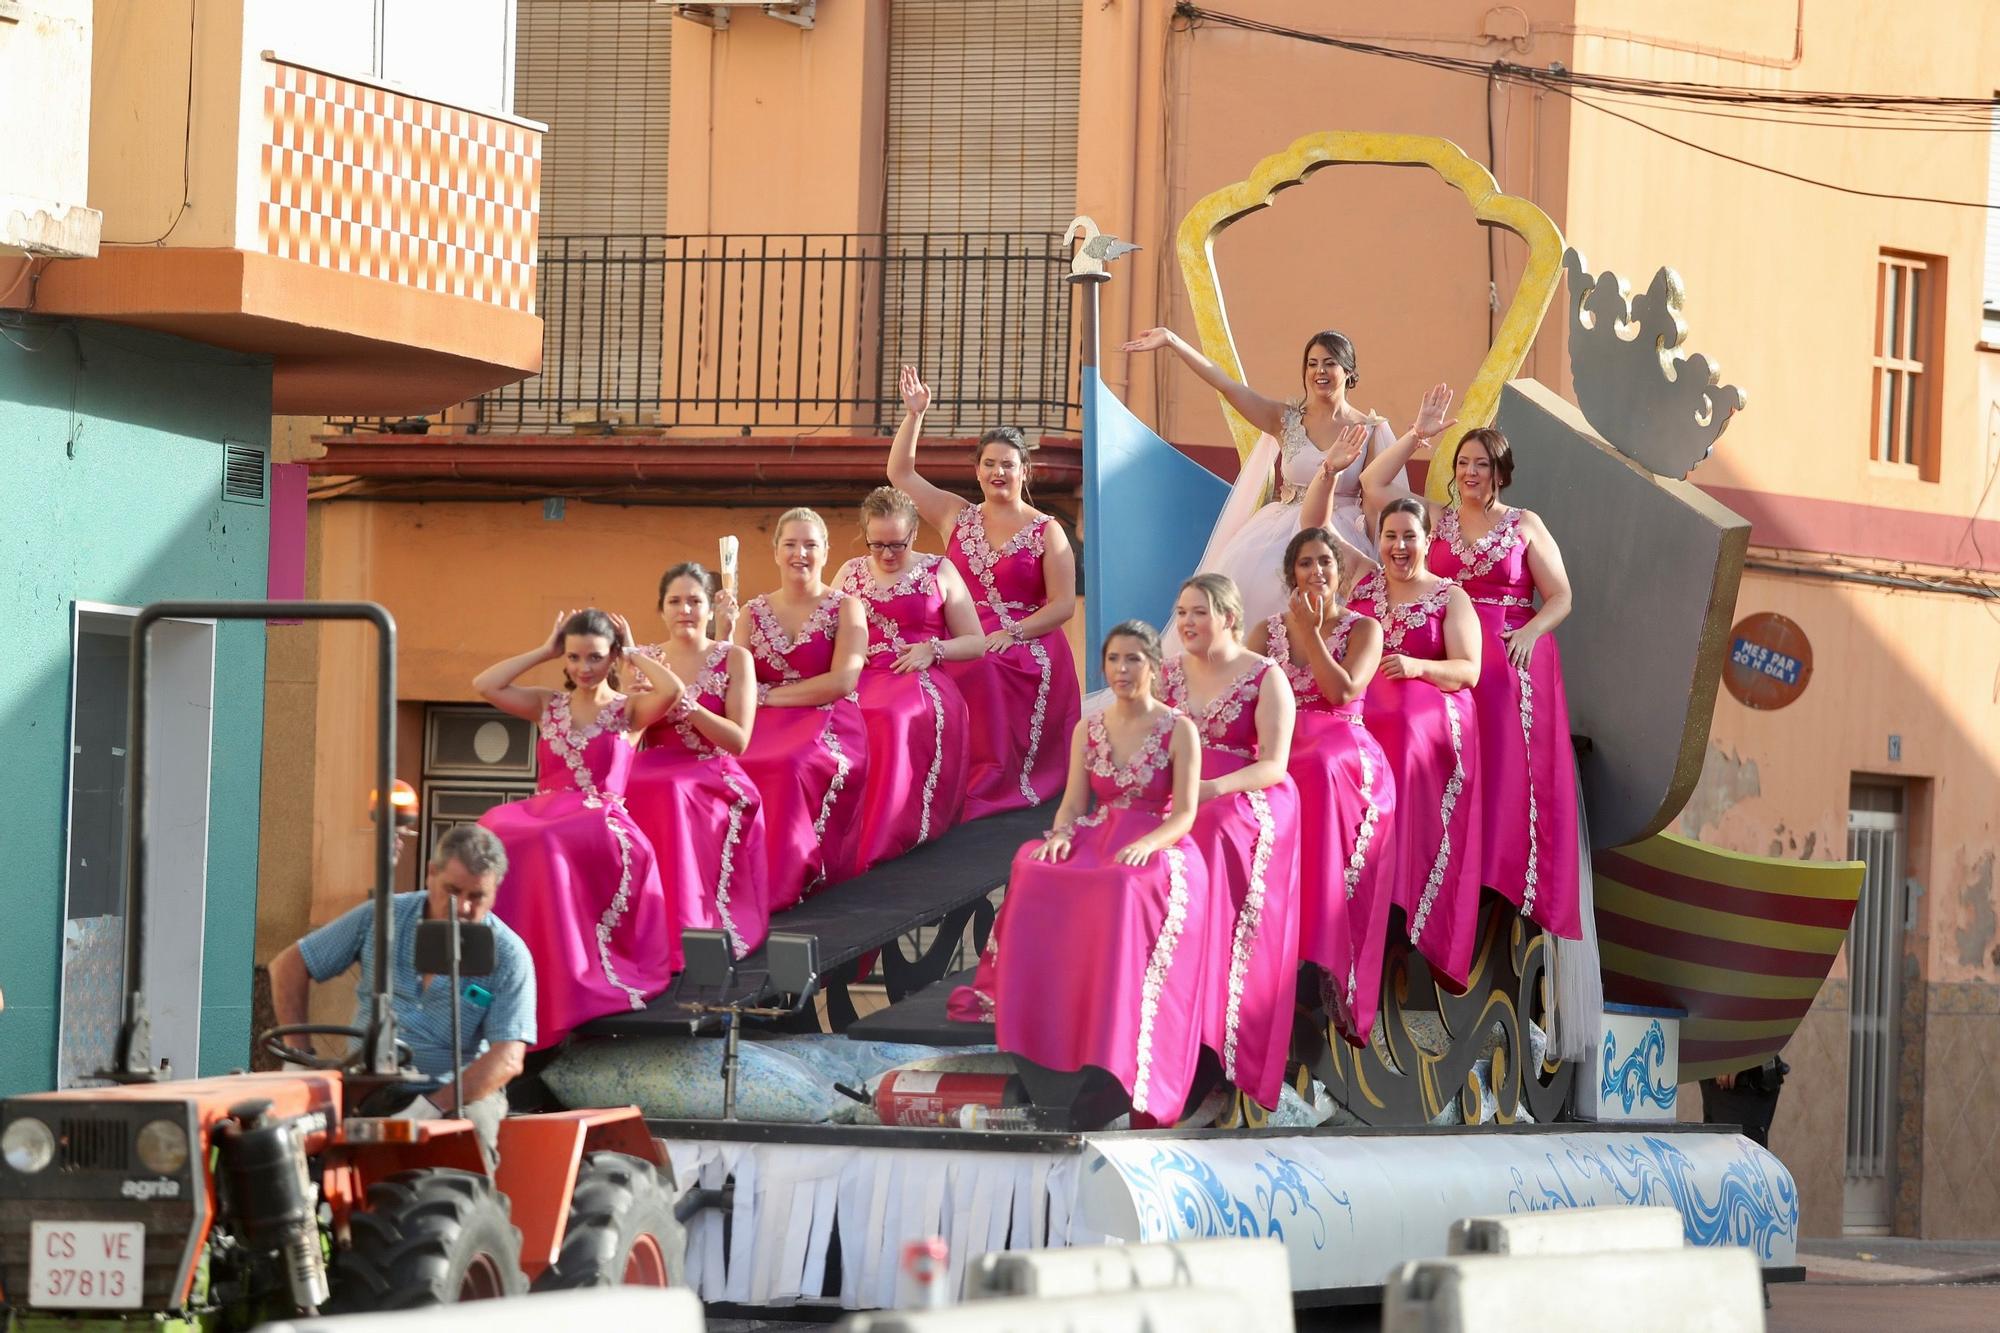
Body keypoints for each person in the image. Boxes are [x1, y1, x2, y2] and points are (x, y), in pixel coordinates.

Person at [947, 622, 1215, 1127]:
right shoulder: (1088, 727)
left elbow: (1184, 814)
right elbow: (1072, 802)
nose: (1122, 670)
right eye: (1114, 659)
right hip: (1098, 829)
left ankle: (1108, 1015)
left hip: (1159, 841)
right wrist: (1062, 835)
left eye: (1133, 659)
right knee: (1032, 864)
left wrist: (1148, 843)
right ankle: (1038, 1000)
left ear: (1154, 666)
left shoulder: (1180, 729)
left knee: (1120, 883)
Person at [1362, 410, 1581, 938]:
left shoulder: (1525, 524)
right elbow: (1371, 483)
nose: (1470, 472)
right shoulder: (1435, 518)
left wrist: (1529, 634)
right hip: (1447, 649)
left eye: (1481, 464)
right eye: (1462, 462)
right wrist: (1416, 436)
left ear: (1500, 472)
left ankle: (1501, 883)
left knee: (1507, 774)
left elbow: (1562, 596)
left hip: (1508, 654)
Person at [269, 823, 535, 1166]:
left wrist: (433, 1106)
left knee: (474, 1136)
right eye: (452, 891)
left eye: (476, 897)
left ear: (495, 891)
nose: (462, 909)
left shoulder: (509, 955)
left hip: (456, 1090)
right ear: (431, 874)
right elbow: (288, 966)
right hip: (368, 1077)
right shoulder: (381, 917)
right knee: (279, 1136)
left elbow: (509, 1057)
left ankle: (475, 1211)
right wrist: (298, 1058)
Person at [474, 607, 678, 1043]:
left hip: (601, 823)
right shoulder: (548, 704)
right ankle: (503, 975)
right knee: (494, 827)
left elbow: (673, 689)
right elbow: (485, 684)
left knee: (542, 838)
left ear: (611, 658)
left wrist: (635, 653)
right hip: (546, 817)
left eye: (595, 657)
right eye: (573, 657)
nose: (583, 668)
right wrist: (543, 650)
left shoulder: (630, 710)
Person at [887, 366, 1081, 815]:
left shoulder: (1048, 531)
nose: (998, 472)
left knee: (983, 666)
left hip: (1025, 636)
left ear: (1024, 471)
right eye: (989, 464)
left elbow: (1065, 605)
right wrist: (914, 415)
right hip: (961, 625)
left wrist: (1012, 632)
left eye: (1008, 465)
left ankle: (987, 782)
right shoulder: (955, 514)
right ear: (976, 471)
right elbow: (900, 473)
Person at [1122, 327, 1395, 625]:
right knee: (1253, 591)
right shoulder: (1284, 419)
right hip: (1278, 530)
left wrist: (1375, 552)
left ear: (1348, 371)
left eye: (1329, 363)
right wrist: (1173, 342)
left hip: (1341, 534)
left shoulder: (1369, 429)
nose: (1319, 371)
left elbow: (1374, 502)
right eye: (1312, 363)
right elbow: (1227, 386)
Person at [1247, 527, 1396, 1045]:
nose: (1317, 572)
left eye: (1326, 563)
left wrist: (1310, 634)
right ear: (1291, 574)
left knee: (1315, 767)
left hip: (1342, 748)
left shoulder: (1364, 629)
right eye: (1306, 563)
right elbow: (1242, 694)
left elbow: (1341, 692)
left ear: (1340, 572)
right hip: (1281, 742)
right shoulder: (1264, 632)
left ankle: (1325, 954)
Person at [1160, 574, 1301, 1110]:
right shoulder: (1168, 675)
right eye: (1181, 613)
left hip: (1243, 795)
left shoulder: (1266, 676)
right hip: (1182, 791)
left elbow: (1273, 764)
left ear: (1228, 617)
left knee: (1210, 830)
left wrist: (1213, 788)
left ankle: (1217, 1029)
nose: (1187, 623)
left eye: (1198, 612)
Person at [1349, 498, 1485, 992]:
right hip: (1368, 703)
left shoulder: (1451, 597)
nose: (1399, 546)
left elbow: (1468, 670)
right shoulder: (1362, 587)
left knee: (1401, 733)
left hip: (1430, 708)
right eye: (1391, 536)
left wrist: (1415, 667)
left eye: (1410, 536)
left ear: (1428, 541)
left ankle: (1400, 894)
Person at [626, 562, 771, 966]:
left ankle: (687, 933)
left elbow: (738, 740)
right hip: (652, 768)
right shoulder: (646, 659)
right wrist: (631, 698)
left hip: (711, 769)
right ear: (661, 609)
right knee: (620, 789)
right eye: (675, 601)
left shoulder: (735, 658)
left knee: (670, 793)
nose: (684, 610)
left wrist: (686, 706)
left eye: (694, 601)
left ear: (711, 608)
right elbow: (630, 733)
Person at [834, 487, 986, 869]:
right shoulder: (849, 573)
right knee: (837, 717)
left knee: (892, 718)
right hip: (861, 675)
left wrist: (932, 649)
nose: (887, 554)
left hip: (920, 678)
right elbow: (825, 632)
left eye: (897, 545)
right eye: (877, 545)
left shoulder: (939, 570)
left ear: (915, 535)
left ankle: (886, 839)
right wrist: (851, 648)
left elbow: (976, 643)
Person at [728, 507, 870, 905]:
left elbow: (844, 680)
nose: (800, 554)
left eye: (810, 545)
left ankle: (787, 886)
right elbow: (734, 678)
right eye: (790, 544)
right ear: (775, 552)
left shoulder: (847, 608)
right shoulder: (750, 613)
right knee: (733, 765)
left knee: (789, 766)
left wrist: (769, 696)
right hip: (762, 723)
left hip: (829, 717)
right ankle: (738, 886)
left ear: (825, 552)